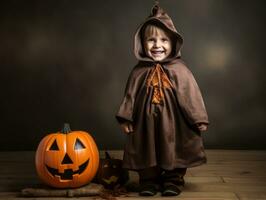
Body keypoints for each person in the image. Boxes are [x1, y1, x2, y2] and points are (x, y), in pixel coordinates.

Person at [116, 4, 209, 196]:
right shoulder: (138, 71)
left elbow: (190, 94)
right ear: (142, 43)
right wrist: (126, 117)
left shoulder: (180, 69)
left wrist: (198, 118)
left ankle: (173, 179)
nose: (157, 45)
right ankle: (148, 180)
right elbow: (130, 96)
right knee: (146, 147)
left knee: (174, 147)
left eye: (164, 40)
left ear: (173, 43)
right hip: (145, 124)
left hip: (175, 123)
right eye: (151, 40)